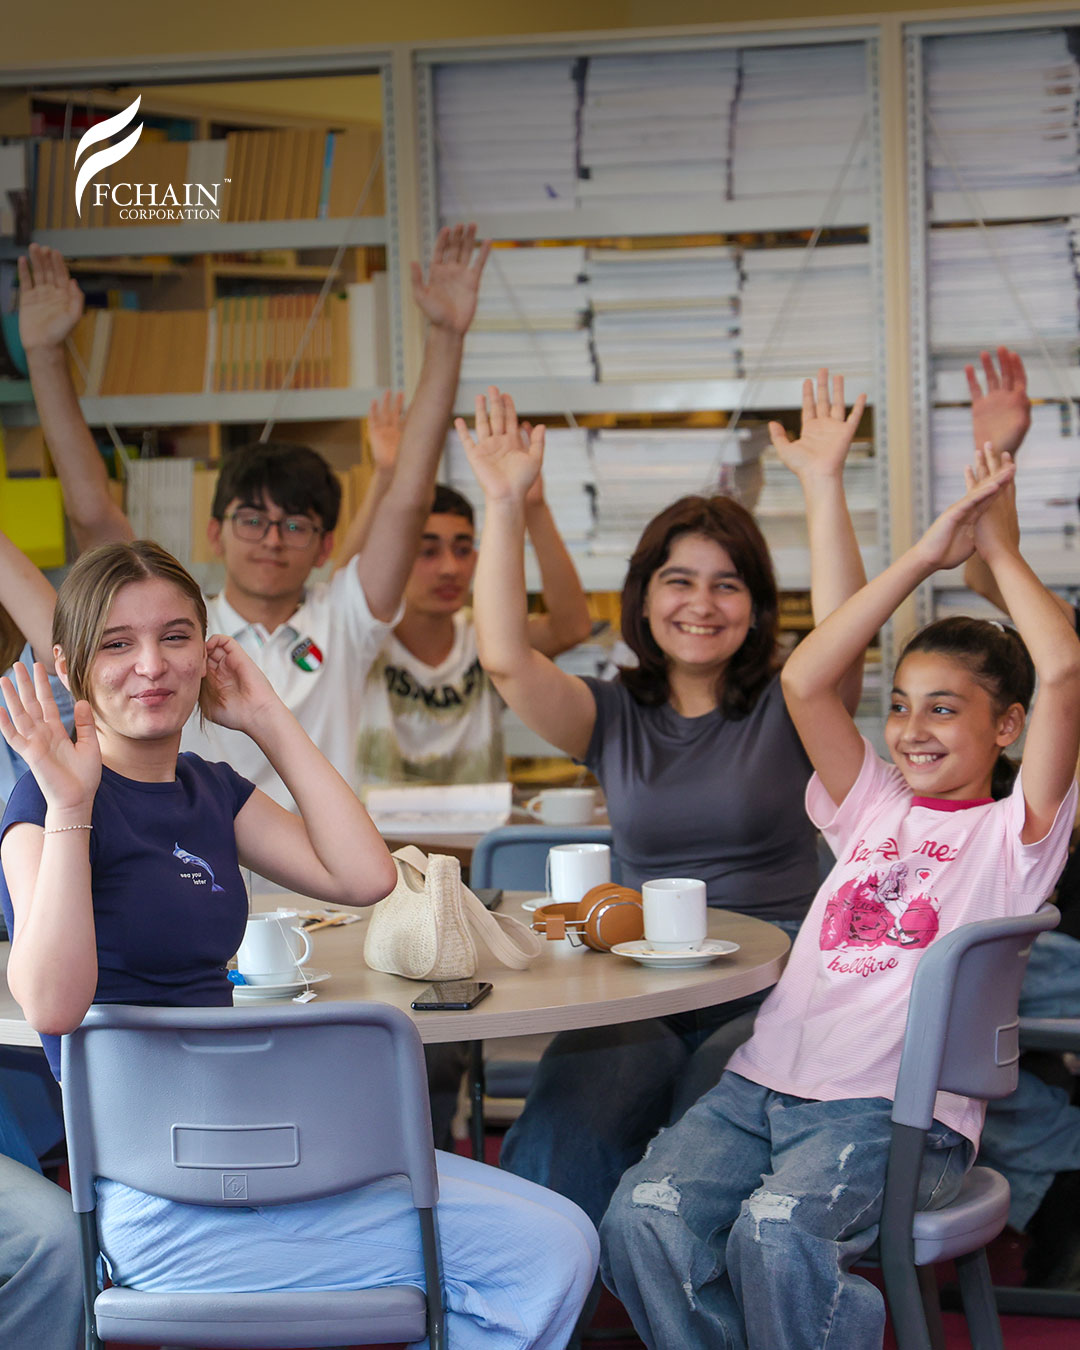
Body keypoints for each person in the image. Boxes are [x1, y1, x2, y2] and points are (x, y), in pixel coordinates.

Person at [0, 539, 597, 1349]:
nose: (152, 665)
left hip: (270, 1153)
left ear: (207, 653)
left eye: (176, 637)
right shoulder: (45, 804)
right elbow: (52, 1004)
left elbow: (365, 876)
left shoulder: (208, 787)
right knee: (547, 1256)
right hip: (160, 1198)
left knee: (568, 1235)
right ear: (70, 666)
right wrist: (72, 806)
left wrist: (267, 719)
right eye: (117, 643)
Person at [600, 443, 1080, 1350]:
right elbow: (806, 679)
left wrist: (997, 552)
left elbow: (1061, 669)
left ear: (1008, 725)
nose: (911, 729)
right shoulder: (874, 803)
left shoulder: (1016, 834)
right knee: (641, 1220)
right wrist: (922, 557)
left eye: (944, 708)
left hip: (895, 1115)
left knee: (776, 1236)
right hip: (759, 1088)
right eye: (900, 704)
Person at [456, 374, 868, 1229]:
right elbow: (504, 658)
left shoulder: (798, 701)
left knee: (696, 1143)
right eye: (679, 581)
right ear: (644, 597)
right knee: (556, 1142)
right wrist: (503, 501)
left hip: (771, 980)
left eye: (727, 585)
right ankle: (551, 1294)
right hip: (643, 984)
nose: (701, 604)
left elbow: (845, 629)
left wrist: (823, 482)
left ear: (756, 608)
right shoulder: (611, 714)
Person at [16, 230, 490, 809]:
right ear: (214, 533)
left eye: (294, 525)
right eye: (251, 520)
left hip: (327, 865)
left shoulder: (345, 618)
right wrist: (45, 354)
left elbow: (409, 501)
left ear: (325, 546)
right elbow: (93, 514)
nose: (271, 540)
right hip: (202, 855)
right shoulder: (179, 626)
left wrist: (446, 336)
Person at [954, 347, 1080, 1284]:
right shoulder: (1067, 655)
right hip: (1046, 927)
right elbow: (996, 577)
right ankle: (1060, 1180)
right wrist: (998, 455)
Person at [353, 395, 591, 782]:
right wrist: (385, 477)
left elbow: (572, 627)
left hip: (483, 822)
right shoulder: (362, 640)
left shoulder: (485, 637)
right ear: (396, 555)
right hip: (374, 822)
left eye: (463, 550)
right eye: (428, 551)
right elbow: (340, 585)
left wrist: (533, 507)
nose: (450, 568)